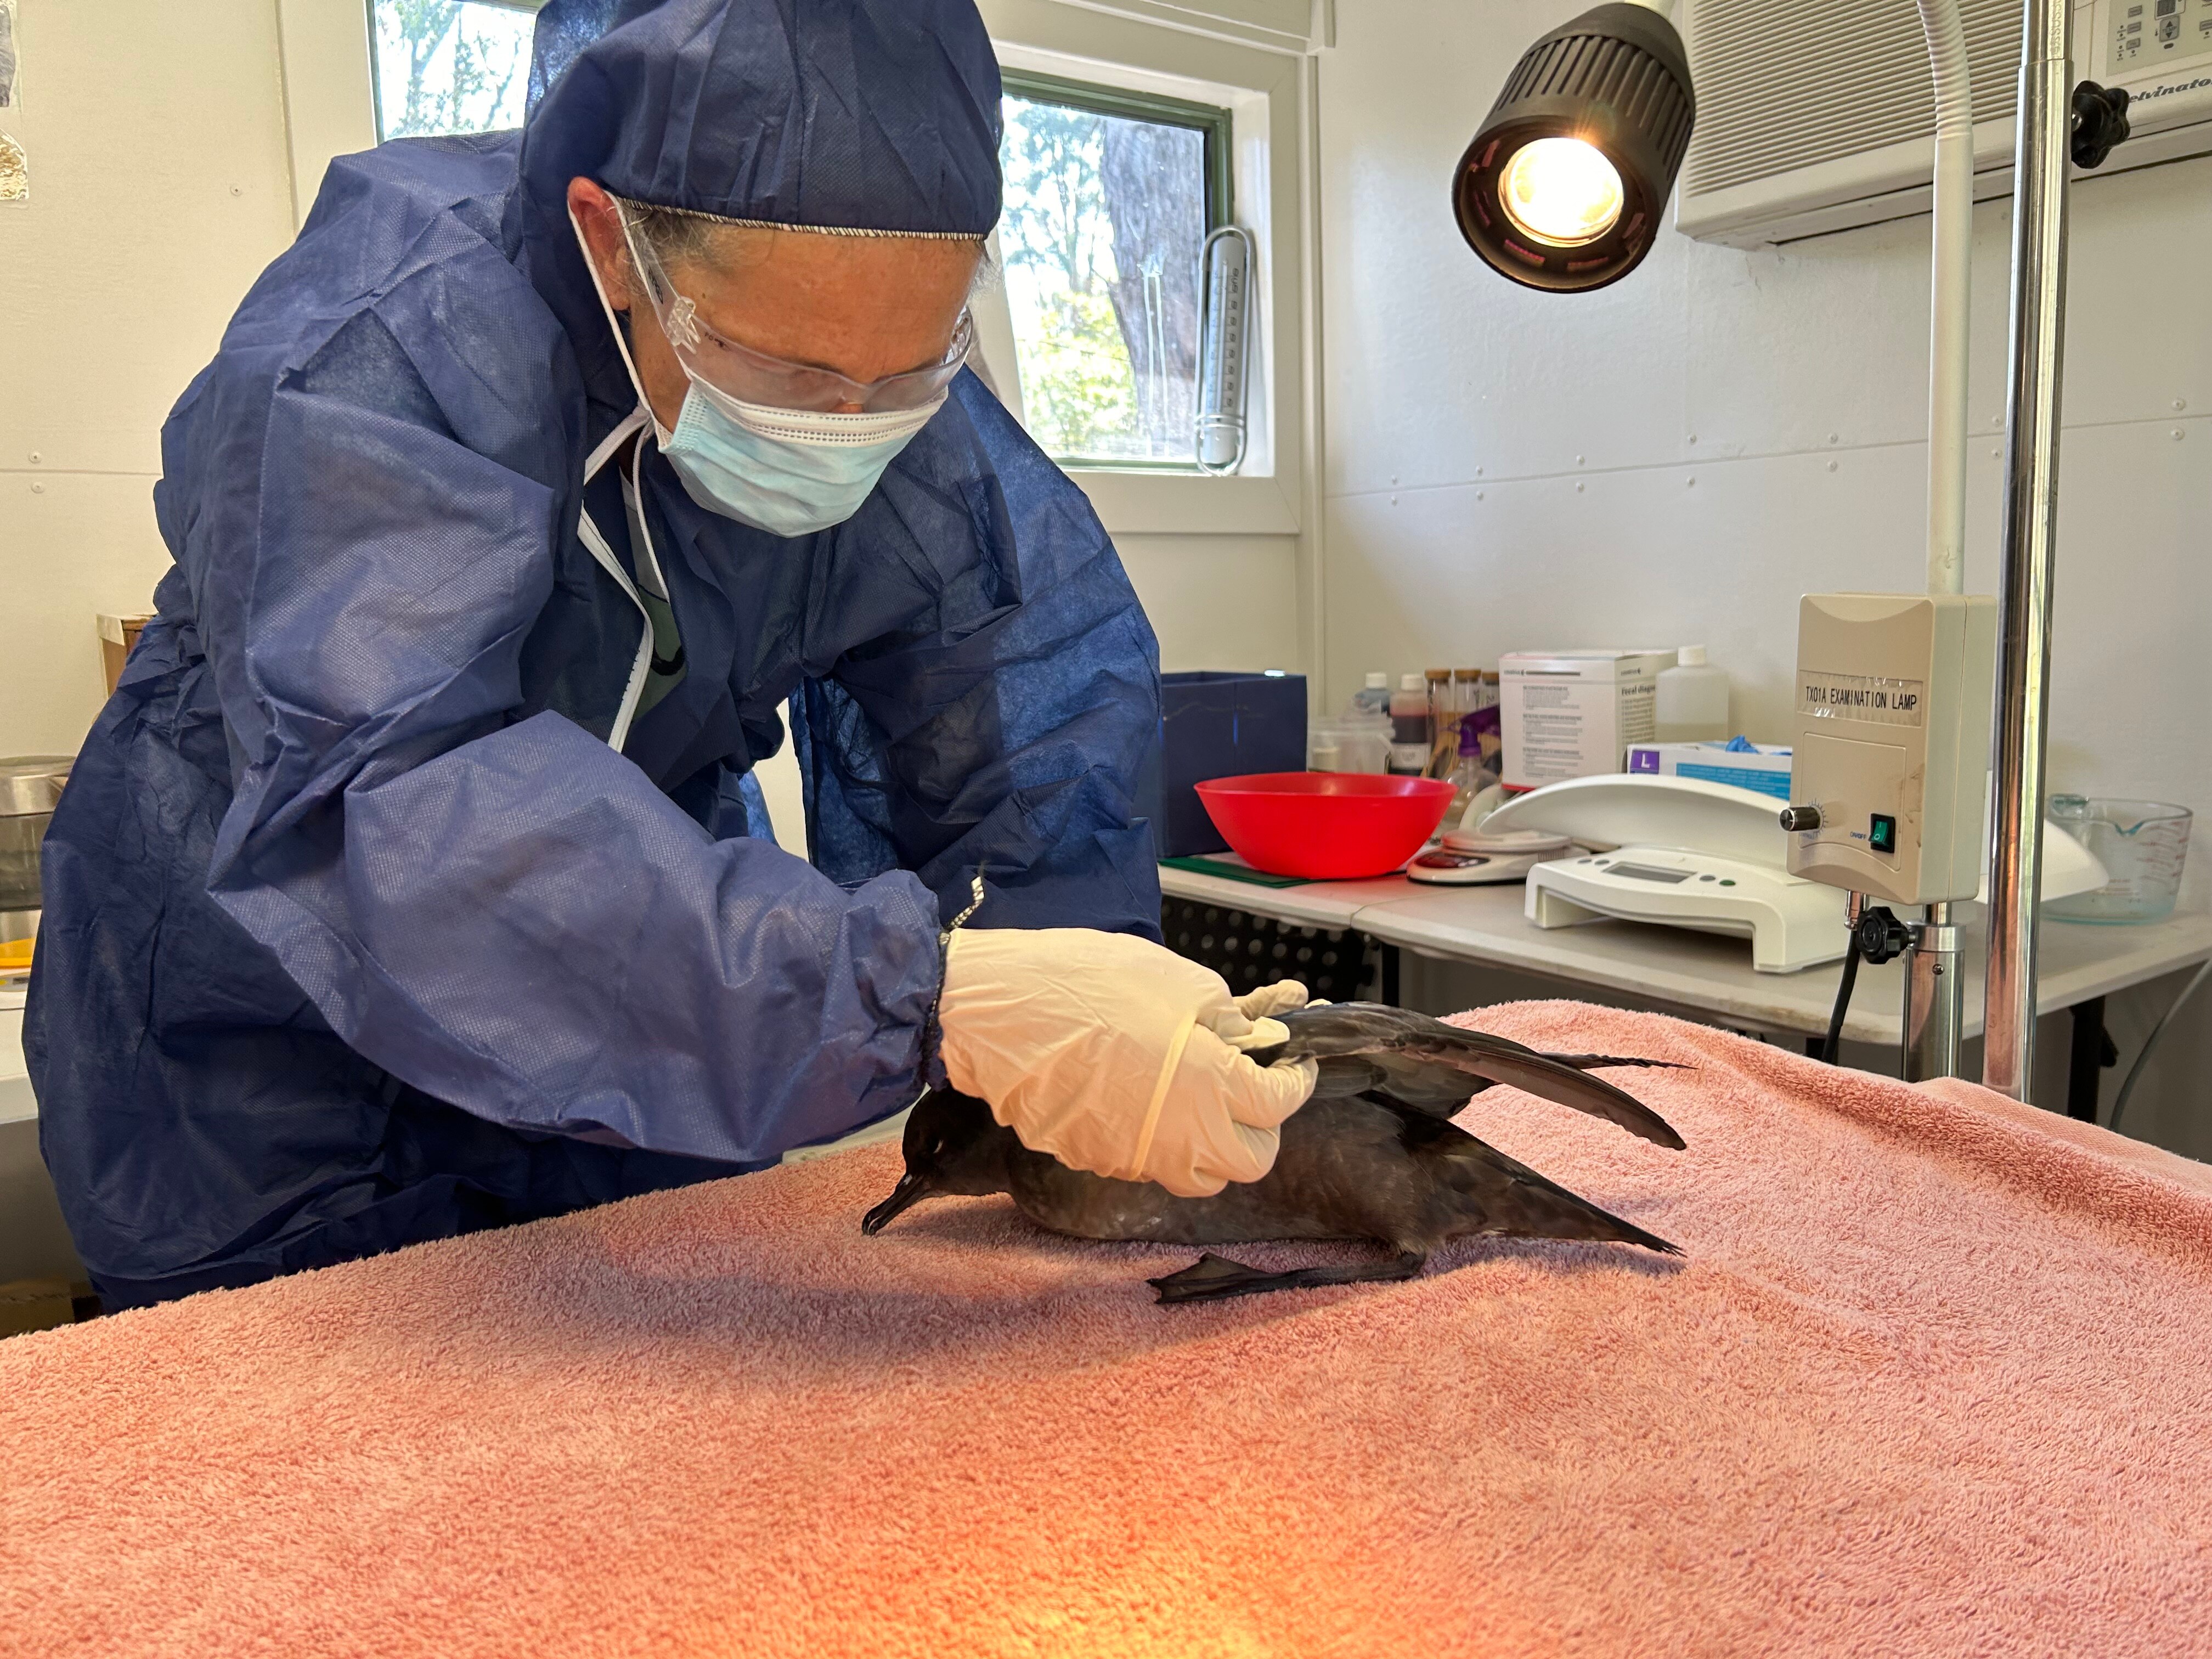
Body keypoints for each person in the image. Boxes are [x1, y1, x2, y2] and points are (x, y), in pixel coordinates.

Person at [24, 0, 1315, 1310]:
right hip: (263, 1042)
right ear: (611, 236)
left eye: (913, 368)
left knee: (648, 1431)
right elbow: (392, 796)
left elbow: (1031, 708)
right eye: (793, 374)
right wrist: (913, 994)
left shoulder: (886, 392)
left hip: (641, 997)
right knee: (288, 1453)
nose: (855, 427)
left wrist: (1074, 1011)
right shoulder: (379, 345)